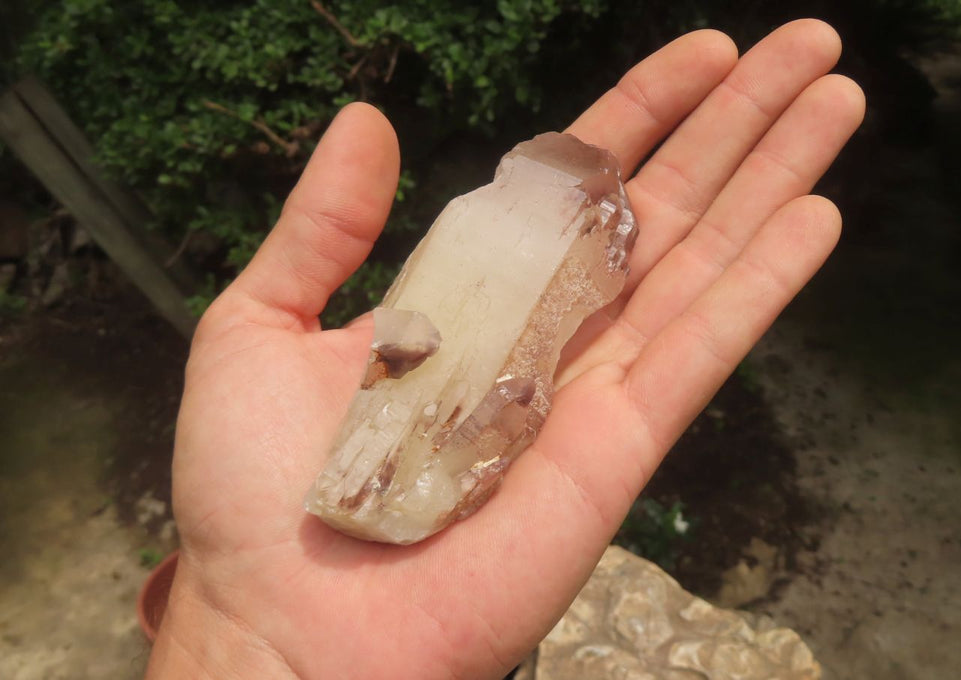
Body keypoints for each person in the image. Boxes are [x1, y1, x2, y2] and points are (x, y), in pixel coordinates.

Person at [144, 19, 864, 679]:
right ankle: (376, 479)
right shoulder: (477, 226)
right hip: (386, 469)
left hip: (410, 464)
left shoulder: (501, 226)